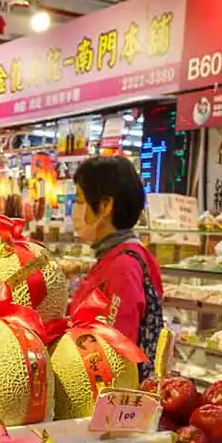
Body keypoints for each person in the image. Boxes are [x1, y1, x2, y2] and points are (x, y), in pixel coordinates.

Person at [67, 155, 163, 378]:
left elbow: (116, 360)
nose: (76, 210)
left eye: (80, 201)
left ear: (106, 205)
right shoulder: (115, 256)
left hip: (109, 403)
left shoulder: (123, 267)